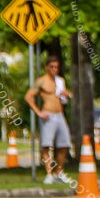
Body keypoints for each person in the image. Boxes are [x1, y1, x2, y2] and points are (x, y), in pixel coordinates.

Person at [25, 55, 73, 184]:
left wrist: (67, 95)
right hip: (48, 114)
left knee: (64, 144)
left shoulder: (60, 81)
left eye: (56, 67)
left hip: (60, 114)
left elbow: (64, 98)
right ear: (47, 68)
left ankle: (59, 172)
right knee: (46, 145)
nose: (54, 69)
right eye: (52, 67)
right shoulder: (42, 81)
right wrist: (39, 112)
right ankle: (49, 174)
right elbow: (29, 96)